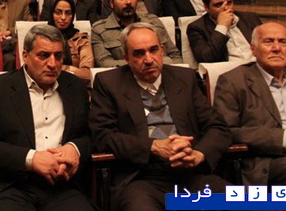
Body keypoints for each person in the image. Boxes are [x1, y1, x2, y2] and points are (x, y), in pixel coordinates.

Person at [91, 23, 231, 211]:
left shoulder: (184, 77)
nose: (149, 59)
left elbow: (217, 127)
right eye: (139, 53)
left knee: (254, 203)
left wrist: (199, 154)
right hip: (143, 181)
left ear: (162, 50)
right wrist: (154, 147)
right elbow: (103, 136)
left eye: (153, 50)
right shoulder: (109, 83)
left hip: (192, 176)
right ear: (127, 58)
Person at [0, 24, 94, 211]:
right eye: (44, 55)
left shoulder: (75, 87)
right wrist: (31, 159)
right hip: (10, 185)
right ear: (25, 56)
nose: (53, 64)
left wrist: (75, 148)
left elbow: (91, 135)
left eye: (58, 56)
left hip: (62, 186)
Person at [214, 22, 286, 187]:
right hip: (268, 160)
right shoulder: (233, 81)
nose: (276, 48)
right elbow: (225, 131)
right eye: (268, 41)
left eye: (282, 42)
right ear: (253, 49)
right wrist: (284, 138)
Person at [92, 0, 181, 67]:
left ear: (137, 0)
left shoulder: (153, 22)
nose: (128, 2)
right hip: (124, 77)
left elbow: (175, 55)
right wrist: (143, 63)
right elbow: (105, 63)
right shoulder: (99, 29)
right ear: (111, 3)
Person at [188, 0, 261, 63]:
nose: (226, 8)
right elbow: (206, 58)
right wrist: (222, 26)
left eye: (229, 3)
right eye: (218, 5)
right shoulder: (196, 28)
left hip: (259, 65)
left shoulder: (250, 18)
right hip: (231, 68)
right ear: (206, 7)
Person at [47, 0, 94, 81]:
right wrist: (70, 69)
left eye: (68, 13)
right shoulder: (42, 38)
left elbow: (87, 74)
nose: (63, 17)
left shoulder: (81, 40)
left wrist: (60, 69)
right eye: (58, 12)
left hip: (74, 85)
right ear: (51, 14)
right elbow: (36, 69)